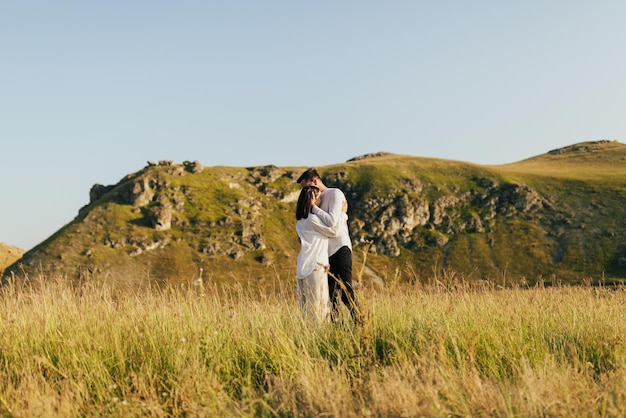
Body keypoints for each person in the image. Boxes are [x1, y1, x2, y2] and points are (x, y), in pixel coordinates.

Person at [296, 168, 360, 324]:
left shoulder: (334, 194)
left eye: (306, 186)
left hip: (339, 248)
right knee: (330, 297)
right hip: (324, 255)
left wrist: (313, 207)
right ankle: (335, 327)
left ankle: (360, 321)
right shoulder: (314, 200)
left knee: (345, 289)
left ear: (315, 181)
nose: (306, 191)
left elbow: (332, 223)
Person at [295, 186, 346, 323]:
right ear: (313, 200)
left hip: (303, 265)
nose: (321, 201)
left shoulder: (300, 222)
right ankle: (320, 336)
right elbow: (334, 231)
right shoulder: (312, 220)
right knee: (320, 305)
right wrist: (342, 214)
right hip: (315, 265)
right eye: (319, 198)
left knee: (305, 307)